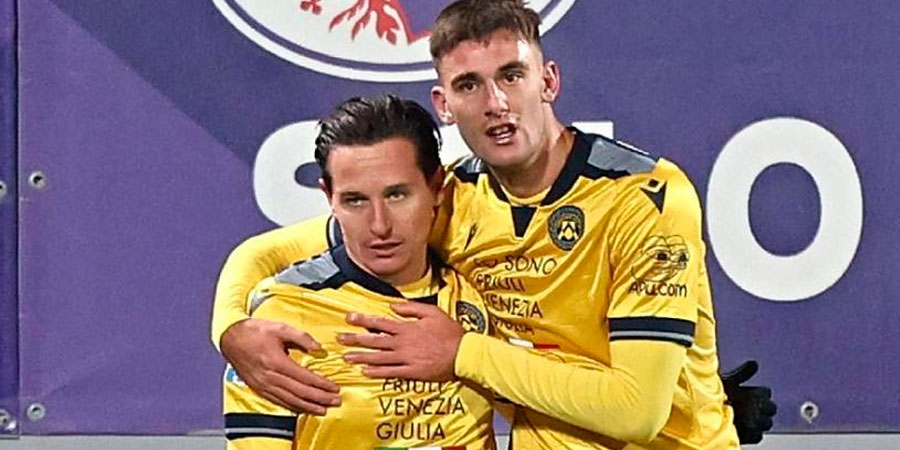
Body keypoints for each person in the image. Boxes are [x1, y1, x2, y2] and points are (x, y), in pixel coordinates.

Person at [212, 1, 776, 448]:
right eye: (469, 85)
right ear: (444, 104)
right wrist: (232, 331)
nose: (495, 103)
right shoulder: (451, 198)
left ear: (548, 81)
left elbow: (636, 412)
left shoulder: (644, 196)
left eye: (511, 75)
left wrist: (462, 353)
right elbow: (262, 256)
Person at [222, 95, 495, 449]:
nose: (379, 225)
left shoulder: (481, 293)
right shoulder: (283, 318)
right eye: (355, 200)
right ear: (329, 197)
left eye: (397, 195)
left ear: (436, 187)